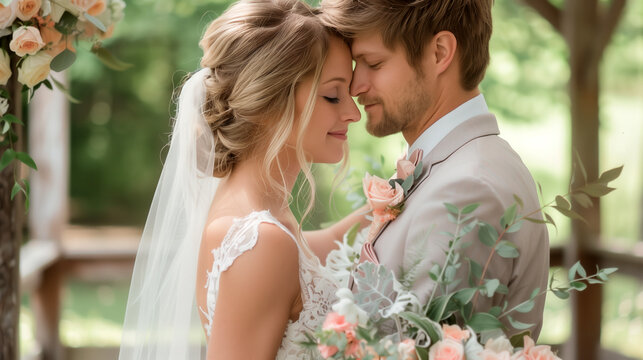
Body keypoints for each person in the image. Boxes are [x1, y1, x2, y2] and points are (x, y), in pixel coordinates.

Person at [118, 0, 363, 359]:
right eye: (332, 95)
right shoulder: (260, 241)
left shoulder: (260, 221)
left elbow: (321, 245)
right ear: (269, 103)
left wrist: (396, 199)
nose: (353, 113)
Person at [321, 0, 550, 339]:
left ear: (440, 53)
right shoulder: (450, 167)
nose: (356, 86)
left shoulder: (467, 190)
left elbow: (419, 345)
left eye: (373, 63)